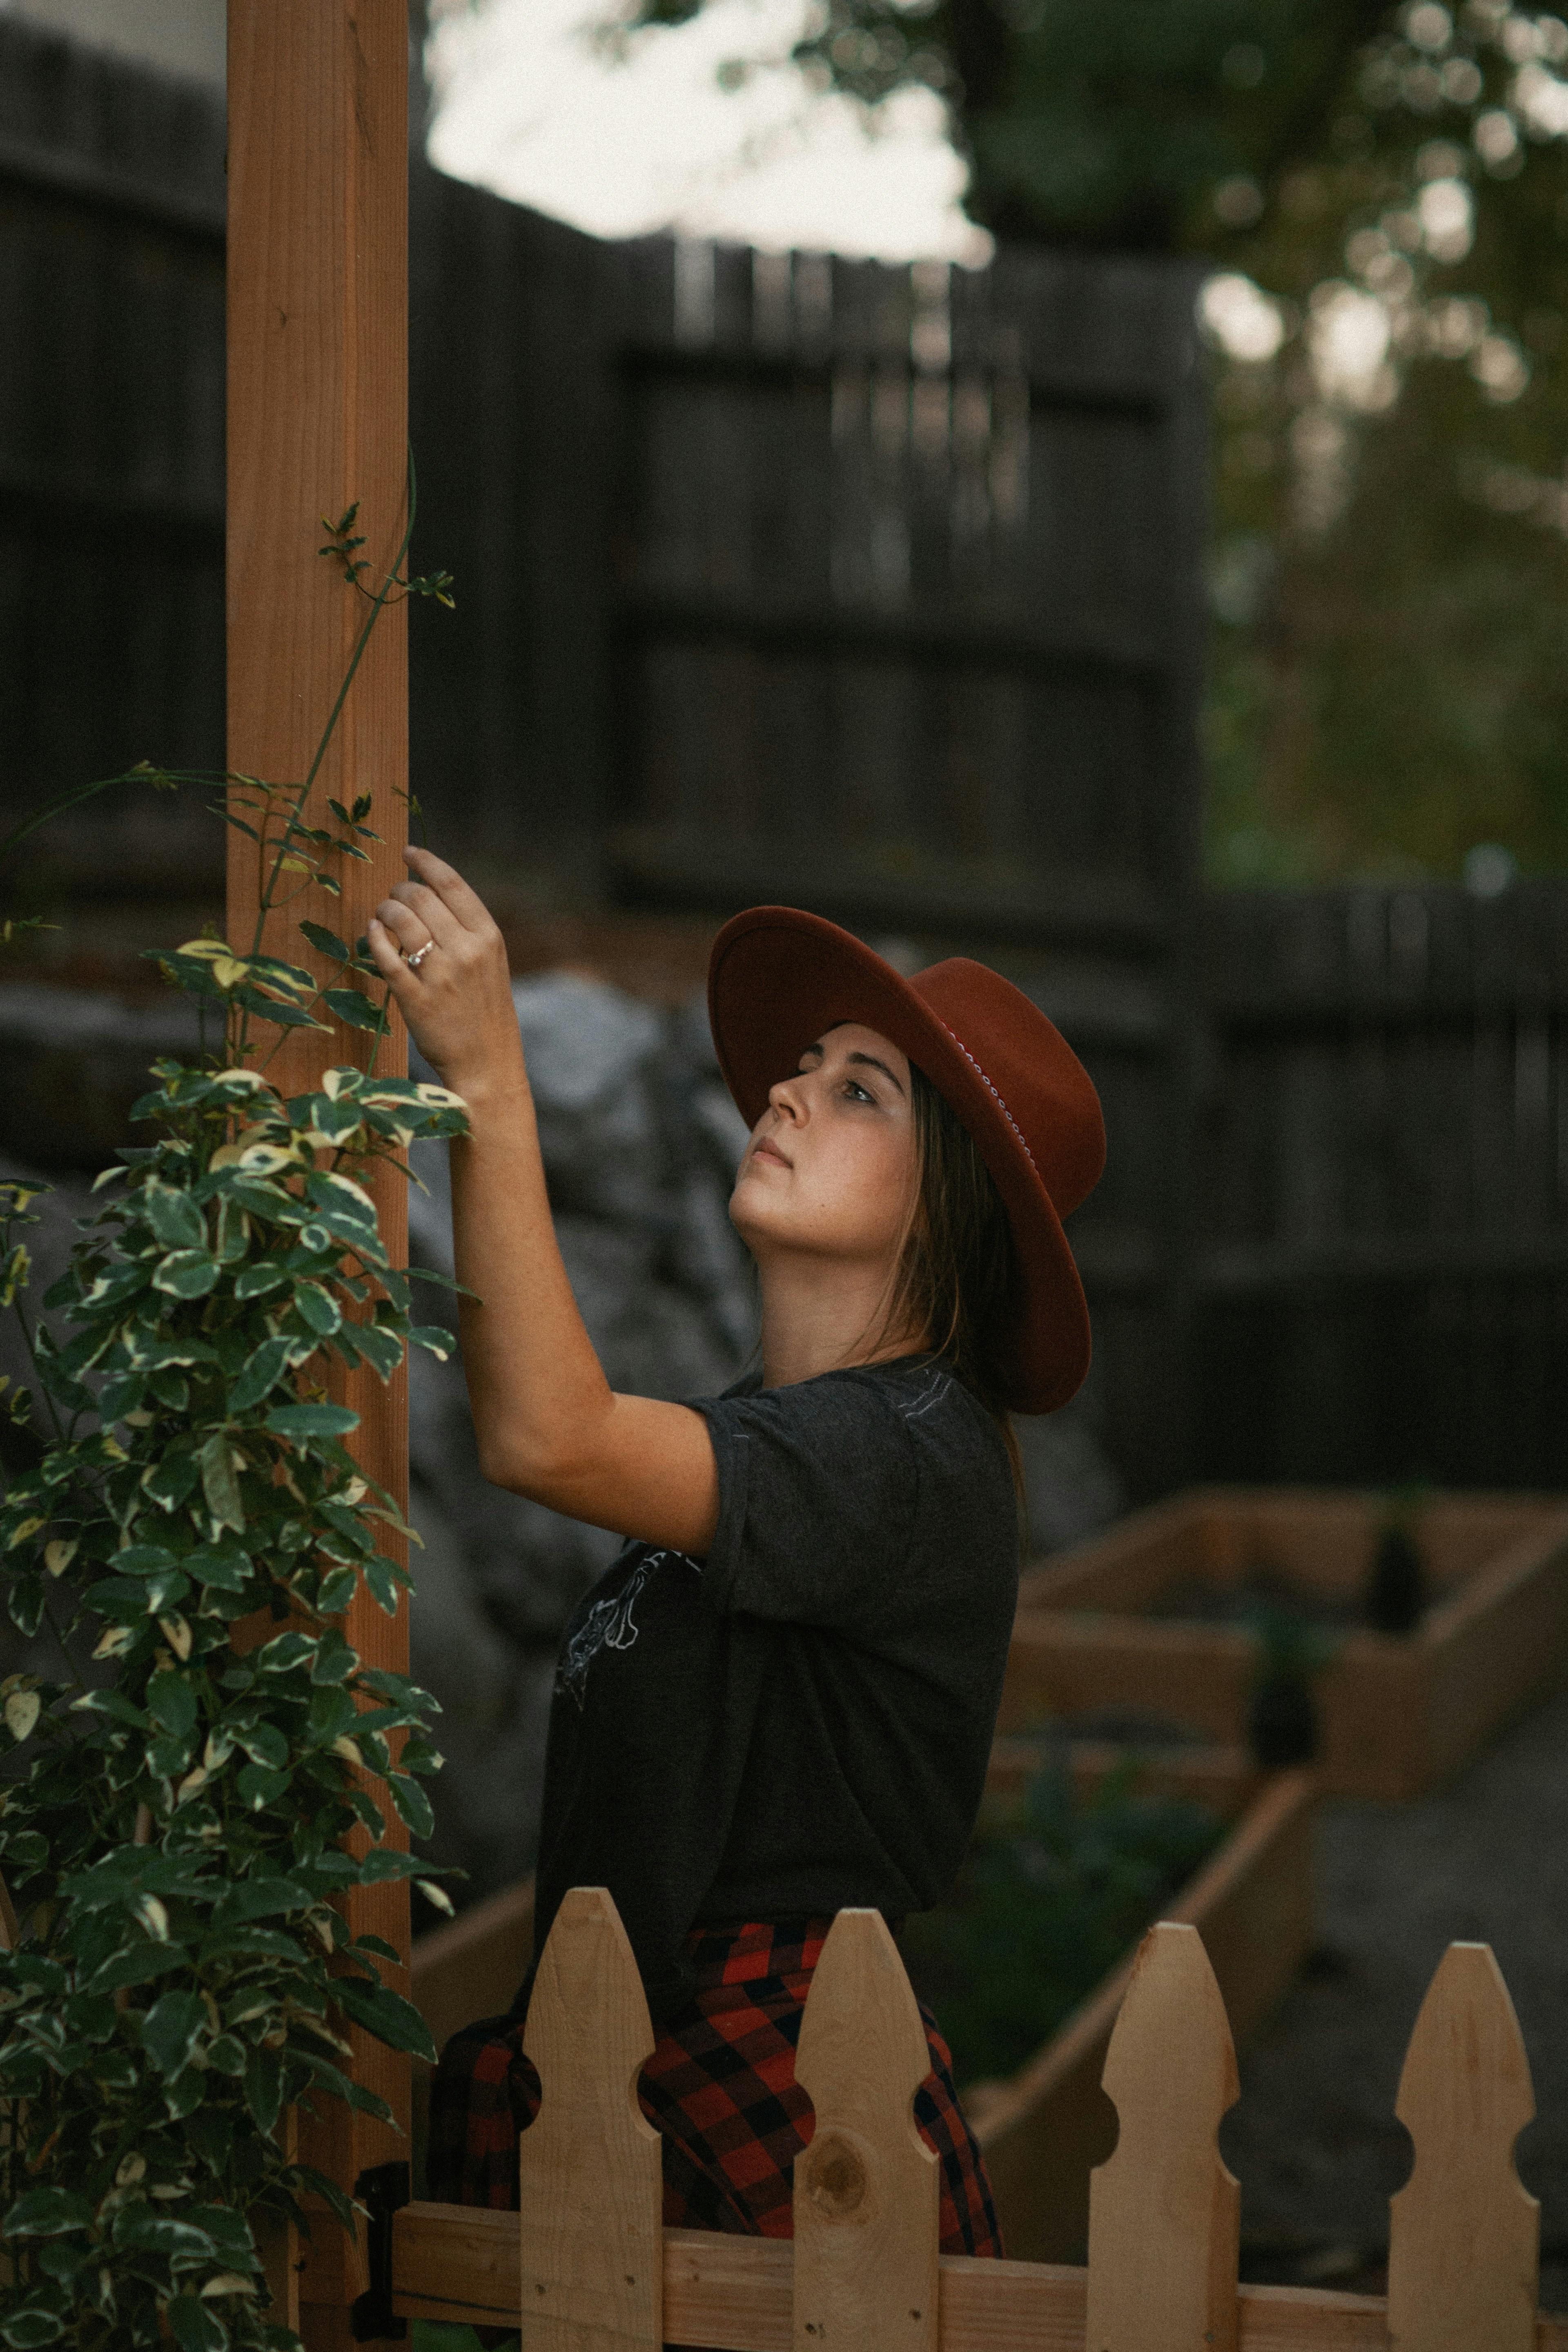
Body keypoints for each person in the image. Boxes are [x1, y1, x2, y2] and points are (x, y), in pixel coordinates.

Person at [365, 852, 1105, 2265]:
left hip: (790, 2105)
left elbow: (545, 1435)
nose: (782, 1090)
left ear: (946, 1202)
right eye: (806, 1065)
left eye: (857, 1091)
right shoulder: (787, 1436)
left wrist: (487, 1073)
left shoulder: (915, 1451)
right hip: (645, 2085)